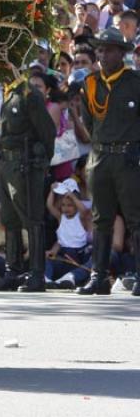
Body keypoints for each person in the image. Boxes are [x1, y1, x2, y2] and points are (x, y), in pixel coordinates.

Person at [79, 28, 140, 296]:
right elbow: (89, 122)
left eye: (109, 49)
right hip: (101, 156)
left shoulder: (134, 82)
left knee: (135, 217)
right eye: (100, 49)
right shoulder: (90, 83)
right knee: (100, 218)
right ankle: (98, 276)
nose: (103, 54)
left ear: (121, 53)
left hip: (128, 156)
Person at [0, 71, 56, 292]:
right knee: (9, 217)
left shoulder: (29, 94)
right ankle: (13, 271)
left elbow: (48, 131)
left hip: (25, 163)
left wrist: (42, 163)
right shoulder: (9, 94)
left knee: (32, 217)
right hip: (8, 163)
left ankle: (37, 274)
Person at [44, 179, 92, 290]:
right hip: (64, 254)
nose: (66, 208)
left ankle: (70, 278)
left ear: (76, 204)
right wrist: (52, 191)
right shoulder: (61, 218)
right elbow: (49, 206)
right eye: (64, 205)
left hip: (79, 255)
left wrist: (73, 197)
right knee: (47, 260)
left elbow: (84, 210)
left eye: (70, 205)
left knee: (92, 262)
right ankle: (46, 279)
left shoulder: (81, 217)